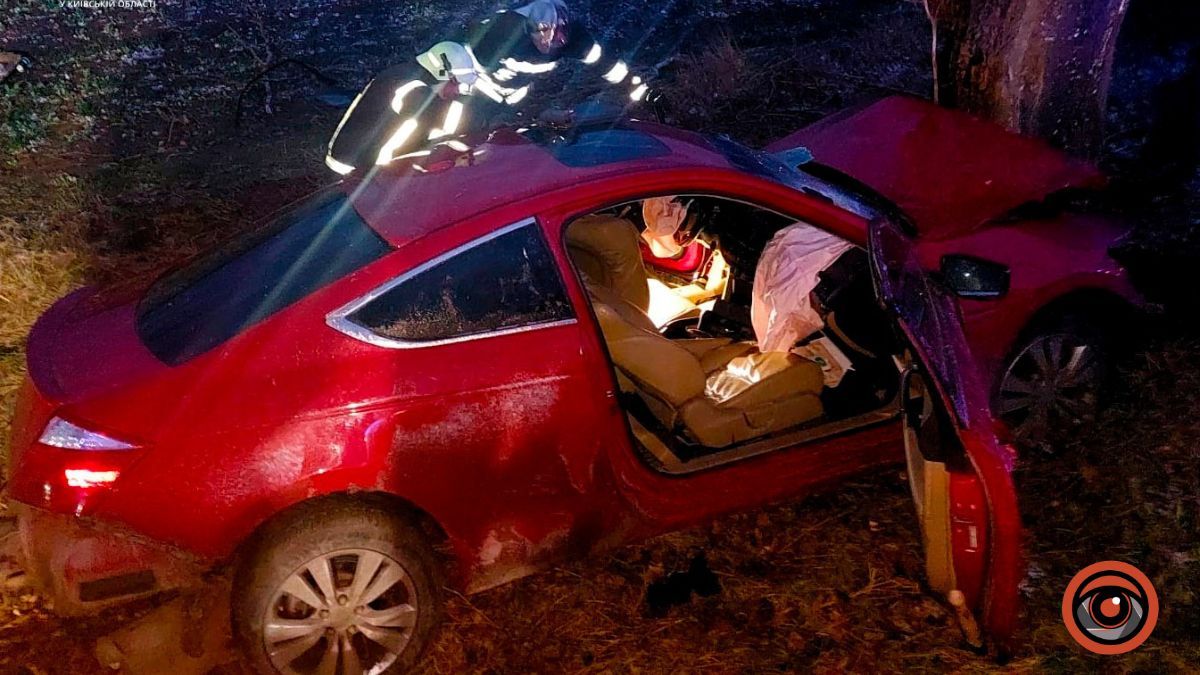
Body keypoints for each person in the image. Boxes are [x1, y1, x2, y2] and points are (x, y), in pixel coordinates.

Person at [324, 41, 520, 175]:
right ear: (443, 74)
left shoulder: (409, 74)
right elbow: (447, 121)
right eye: (456, 84)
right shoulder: (411, 89)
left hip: (364, 159)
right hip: (354, 168)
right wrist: (489, 121)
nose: (456, 91)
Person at [466, 0, 653, 105]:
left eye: (560, 34)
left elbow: (605, 64)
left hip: (517, 97)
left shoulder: (576, 39)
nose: (556, 42)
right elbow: (461, 51)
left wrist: (631, 84)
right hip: (476, 89)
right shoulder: (500, 30)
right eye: (543, 34)